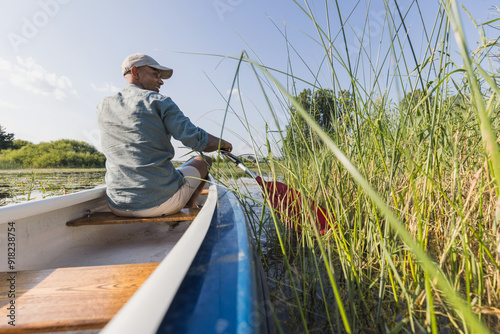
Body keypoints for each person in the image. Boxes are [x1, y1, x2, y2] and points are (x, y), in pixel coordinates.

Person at [96, 53, 232, 217]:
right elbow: (196, 140)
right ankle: (189, 209)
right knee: (204, 161)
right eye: (155, 75)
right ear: (135, 72)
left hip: (117, 205)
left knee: (177, 171)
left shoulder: (103, 106)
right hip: (162, 204)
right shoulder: (158, 100)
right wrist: (224, 144)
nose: (160, 81)